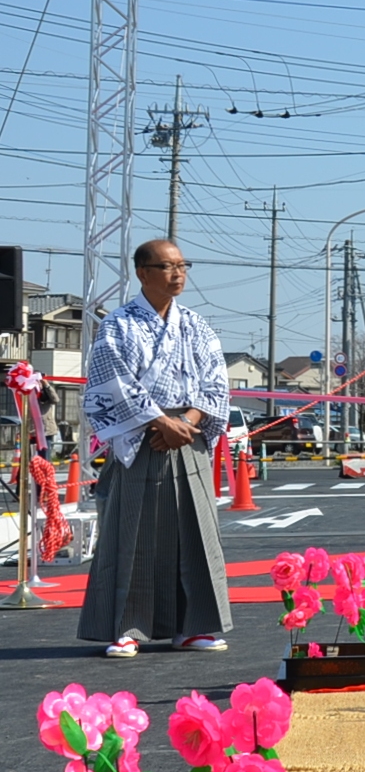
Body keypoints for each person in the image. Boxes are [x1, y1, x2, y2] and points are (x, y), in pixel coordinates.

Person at [78, 239, 233, 658]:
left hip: (187, 434)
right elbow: (112, 381)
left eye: (183, 265)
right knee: (131, 533)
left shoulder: (196, 325)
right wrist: (159, 421)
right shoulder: (118, 324)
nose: (177, 274)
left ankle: (195, 625)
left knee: (195, 533)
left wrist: (188, 422)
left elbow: (216, 382)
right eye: (167, 267)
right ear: (142, 273)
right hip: (141, 435)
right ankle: (126, 628)